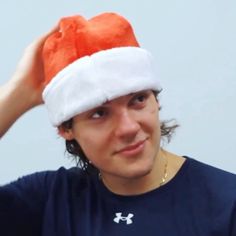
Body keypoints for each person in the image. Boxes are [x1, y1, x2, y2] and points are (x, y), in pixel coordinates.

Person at [0, 12, 235, 236]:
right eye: (99, 113)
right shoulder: (51, 200)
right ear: (65, 129)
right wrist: (16, 94)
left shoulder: (226, 202)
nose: (129, 128)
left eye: (138, 100)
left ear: (156, 99)